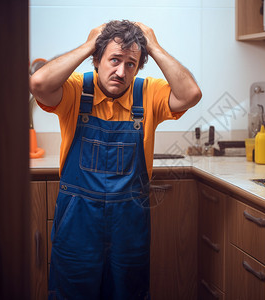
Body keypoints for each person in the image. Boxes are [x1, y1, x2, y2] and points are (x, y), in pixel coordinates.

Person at [29, 20, 202, 299]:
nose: (121, 72)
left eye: (131, 64)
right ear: (97, 60)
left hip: (128, 225)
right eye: (114, 60)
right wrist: (88, 45)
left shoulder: (148, 93)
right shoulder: (75, 90)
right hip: (78, 222)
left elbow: (191, 94)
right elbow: (38, 82)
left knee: (128, 293)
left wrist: (154, 47)